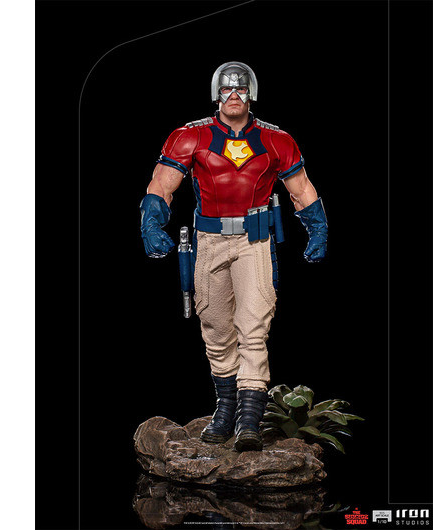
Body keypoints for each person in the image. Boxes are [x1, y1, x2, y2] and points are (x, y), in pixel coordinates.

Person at [140, 61, 328, 452]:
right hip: (209, 241)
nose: (234, 96)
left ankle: (249, 421)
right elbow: (162, 183)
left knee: (254, 327)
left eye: (240, 89)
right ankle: (226, 409)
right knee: (215, 327)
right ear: (216, 94)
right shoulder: (191, 136)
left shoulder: (276, 140)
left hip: (254, 241)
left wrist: (318, 227)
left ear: (251, 93)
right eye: (227, 89)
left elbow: (301, 188)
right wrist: (151, 223)